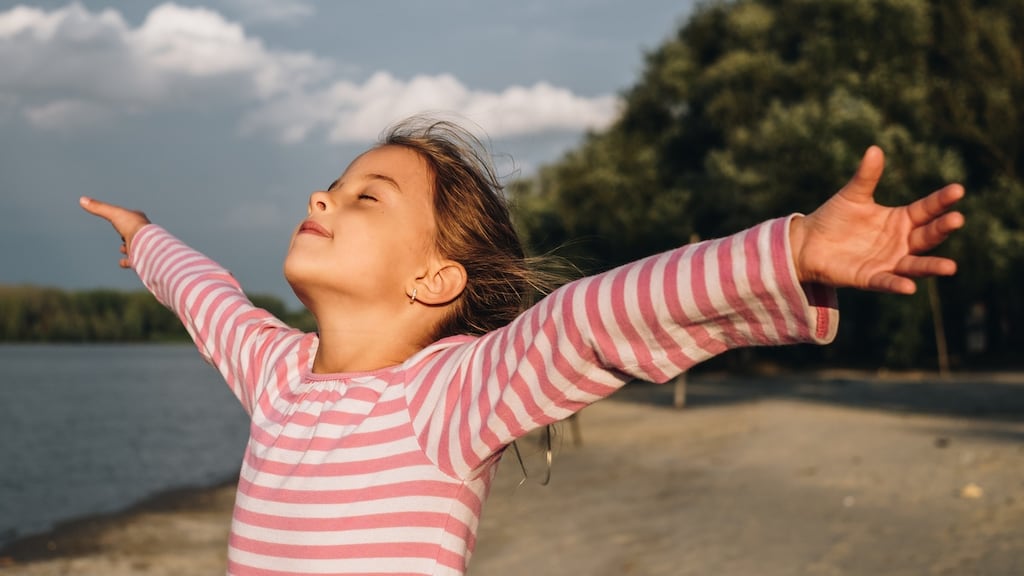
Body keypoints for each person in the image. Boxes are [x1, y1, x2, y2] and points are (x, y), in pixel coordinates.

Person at [80, 117, 964, 576]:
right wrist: (146, 238)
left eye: (365, 197)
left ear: (436, 279)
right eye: (331, 186)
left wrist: (792, 249)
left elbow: (596, 319)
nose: (321, 199)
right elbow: (208, 299)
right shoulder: (277, 374)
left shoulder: (452, 395)